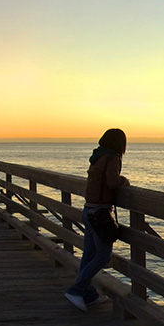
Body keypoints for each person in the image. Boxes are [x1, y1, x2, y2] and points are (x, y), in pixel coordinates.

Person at [65, 128, 130, 311]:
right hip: (99, 213)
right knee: (103, 256)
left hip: (88, 210)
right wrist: (124, 181)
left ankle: (88, 295)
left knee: (89, 255)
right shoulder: (112, 158)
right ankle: (76, 291)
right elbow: (112, 181)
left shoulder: (98, 156)